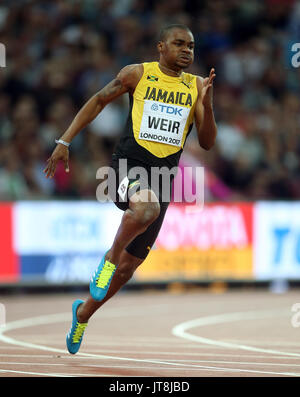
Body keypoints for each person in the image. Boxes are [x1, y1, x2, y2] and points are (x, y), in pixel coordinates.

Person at [43, 24, 217, 354]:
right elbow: (98, 100)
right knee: (144, 211)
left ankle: (82, 315)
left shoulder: (197, 86)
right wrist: (64, 140)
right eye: (179, 44)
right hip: (127, 169)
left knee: (127, 270)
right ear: (161, 47)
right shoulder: (137, 74)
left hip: (164, 181)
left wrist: (207, 106)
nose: (187, 51)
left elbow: (207, 143)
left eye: (191, 46)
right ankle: (109, 256)